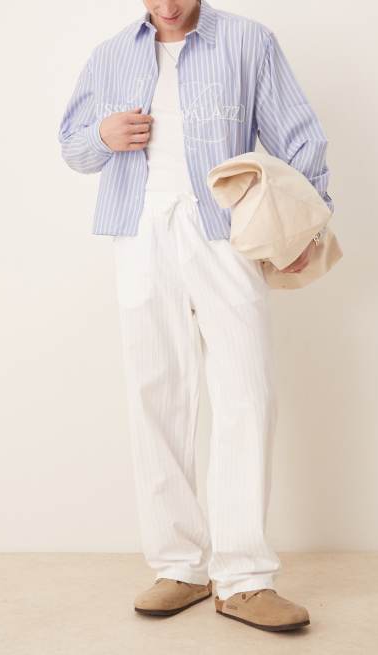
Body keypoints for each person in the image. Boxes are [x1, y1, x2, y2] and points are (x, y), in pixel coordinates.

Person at [58, 0, 333, 633]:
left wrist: (308, 223)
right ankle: (179, 566)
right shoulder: (110, 54)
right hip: (139, 231)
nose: (167, 6)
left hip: (224, 231)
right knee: (156, 393)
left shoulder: (249, 42)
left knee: (247, 393)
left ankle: (245, 579)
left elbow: (299, 136)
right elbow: (73, 147)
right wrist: (101, 137)